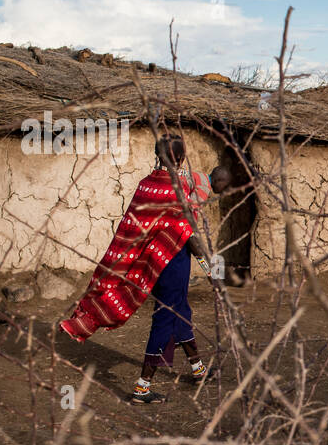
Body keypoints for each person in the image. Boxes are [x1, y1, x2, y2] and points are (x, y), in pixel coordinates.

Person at [59, 135, 232, 404]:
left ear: (157, 155)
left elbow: (130, 230)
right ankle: (142, 387)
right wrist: (213, 272)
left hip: (154, 262)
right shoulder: (177, 191)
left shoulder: (146, 185)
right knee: (165, 318)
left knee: (181, 312)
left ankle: (198, 369)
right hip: (172, 263)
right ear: (181, 158)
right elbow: (191, 238)